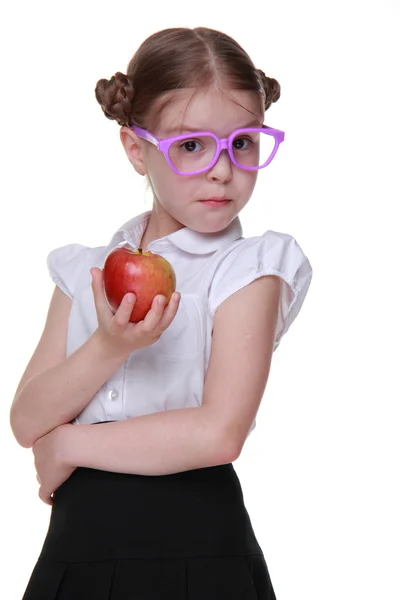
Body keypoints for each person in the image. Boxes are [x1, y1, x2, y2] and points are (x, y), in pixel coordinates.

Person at [11, 26, 313, 600]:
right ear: (135, 149)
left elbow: (218, 433)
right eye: (192, 145)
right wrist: (111, 345)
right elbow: (27, 419)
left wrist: (68, 444)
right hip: (78, 546)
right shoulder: (87, 272)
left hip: (199, 542)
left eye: (243, 142)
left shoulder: (251, 267)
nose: (222, 169)